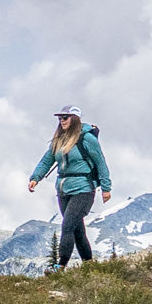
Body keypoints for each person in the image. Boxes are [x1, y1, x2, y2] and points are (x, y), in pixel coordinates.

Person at [27, 105, 110, 268]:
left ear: (75, 119)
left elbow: (101, 162)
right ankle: (89, 265)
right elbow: (47, 160)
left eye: (65, 117)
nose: (62, 121)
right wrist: (35, 178)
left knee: (67, 226)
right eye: (60, 118)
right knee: (77, 229)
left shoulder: (87, 139)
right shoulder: (59, 140)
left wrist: (106, 188)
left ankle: (61, 265)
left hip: (84, 189)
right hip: (63, 190)